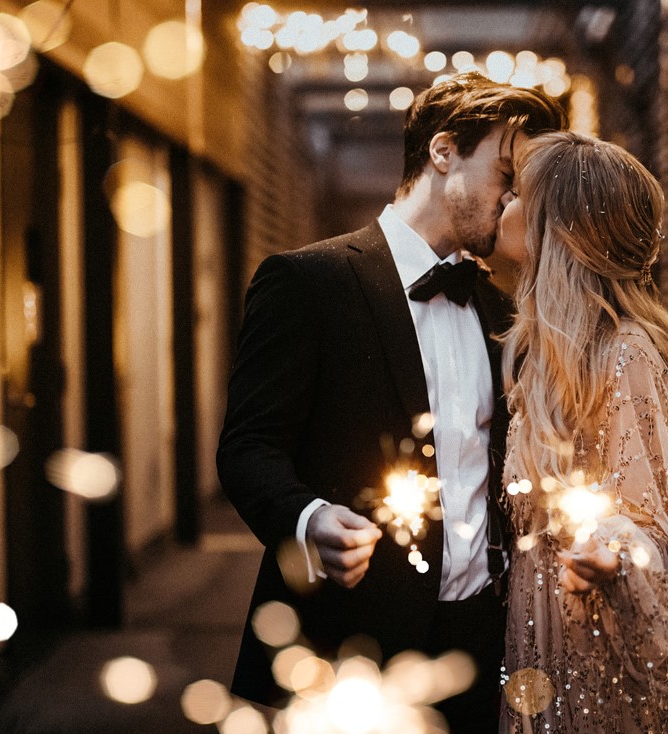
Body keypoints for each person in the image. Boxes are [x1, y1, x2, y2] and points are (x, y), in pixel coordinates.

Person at [217, 73, 566, 732]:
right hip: (348, 647)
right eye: (505, 174)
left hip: (480, 643)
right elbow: (247, 449)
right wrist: (307, 517)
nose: (515, 199)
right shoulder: (307, 282)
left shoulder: (499, 307)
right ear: (443, 153)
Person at [494, 132, 668, 733]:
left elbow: (661, 533)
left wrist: (616, 555)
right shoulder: (547, 354)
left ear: (560, 227)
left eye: (518, 193)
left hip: (597, 652)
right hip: (543, 641)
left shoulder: (623, 354)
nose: (504, 203)